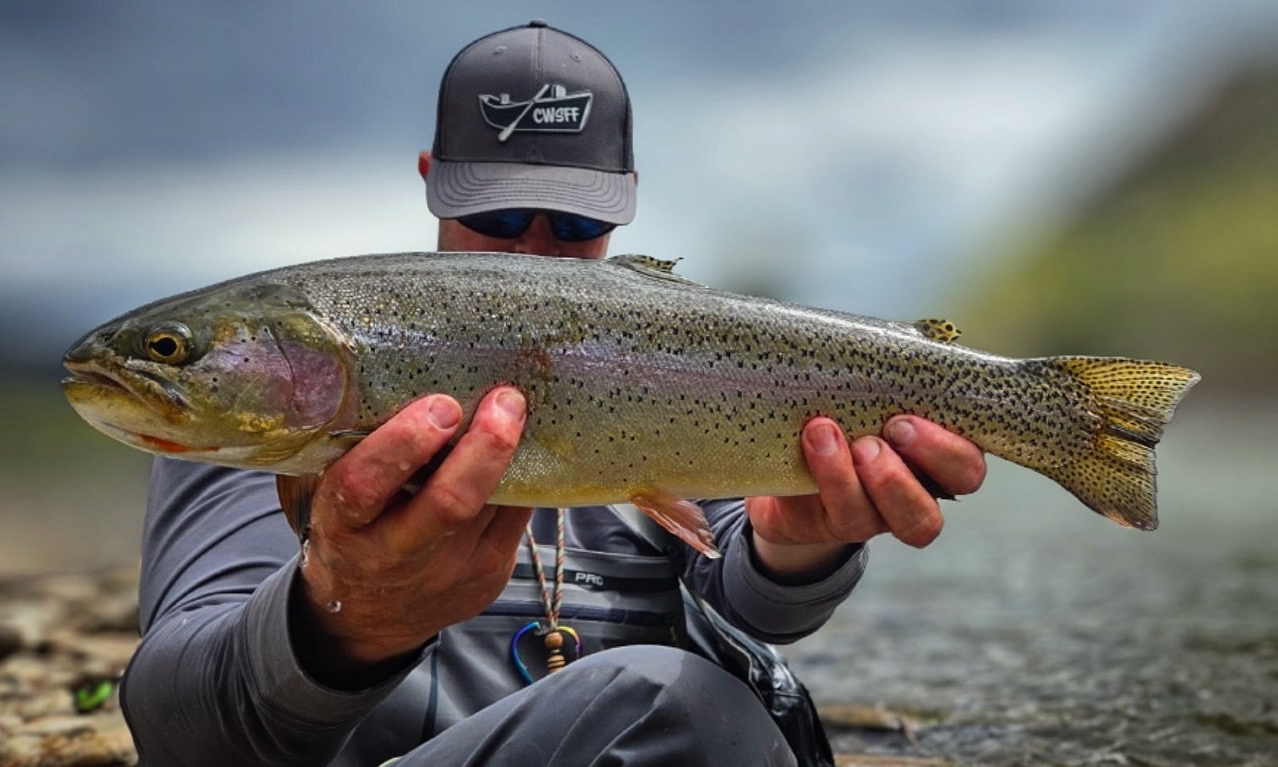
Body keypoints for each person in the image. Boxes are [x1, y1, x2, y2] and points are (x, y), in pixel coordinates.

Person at [120, 21, 987, 766]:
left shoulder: (666, 364)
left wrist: (802, 543)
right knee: (673, 701)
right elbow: (178, 726)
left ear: (626, 204)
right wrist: (346, 617)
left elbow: (754, 602)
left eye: (575, 222)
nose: (534, 249)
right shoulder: (267, 432)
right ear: (431, 178)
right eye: (495, 216)